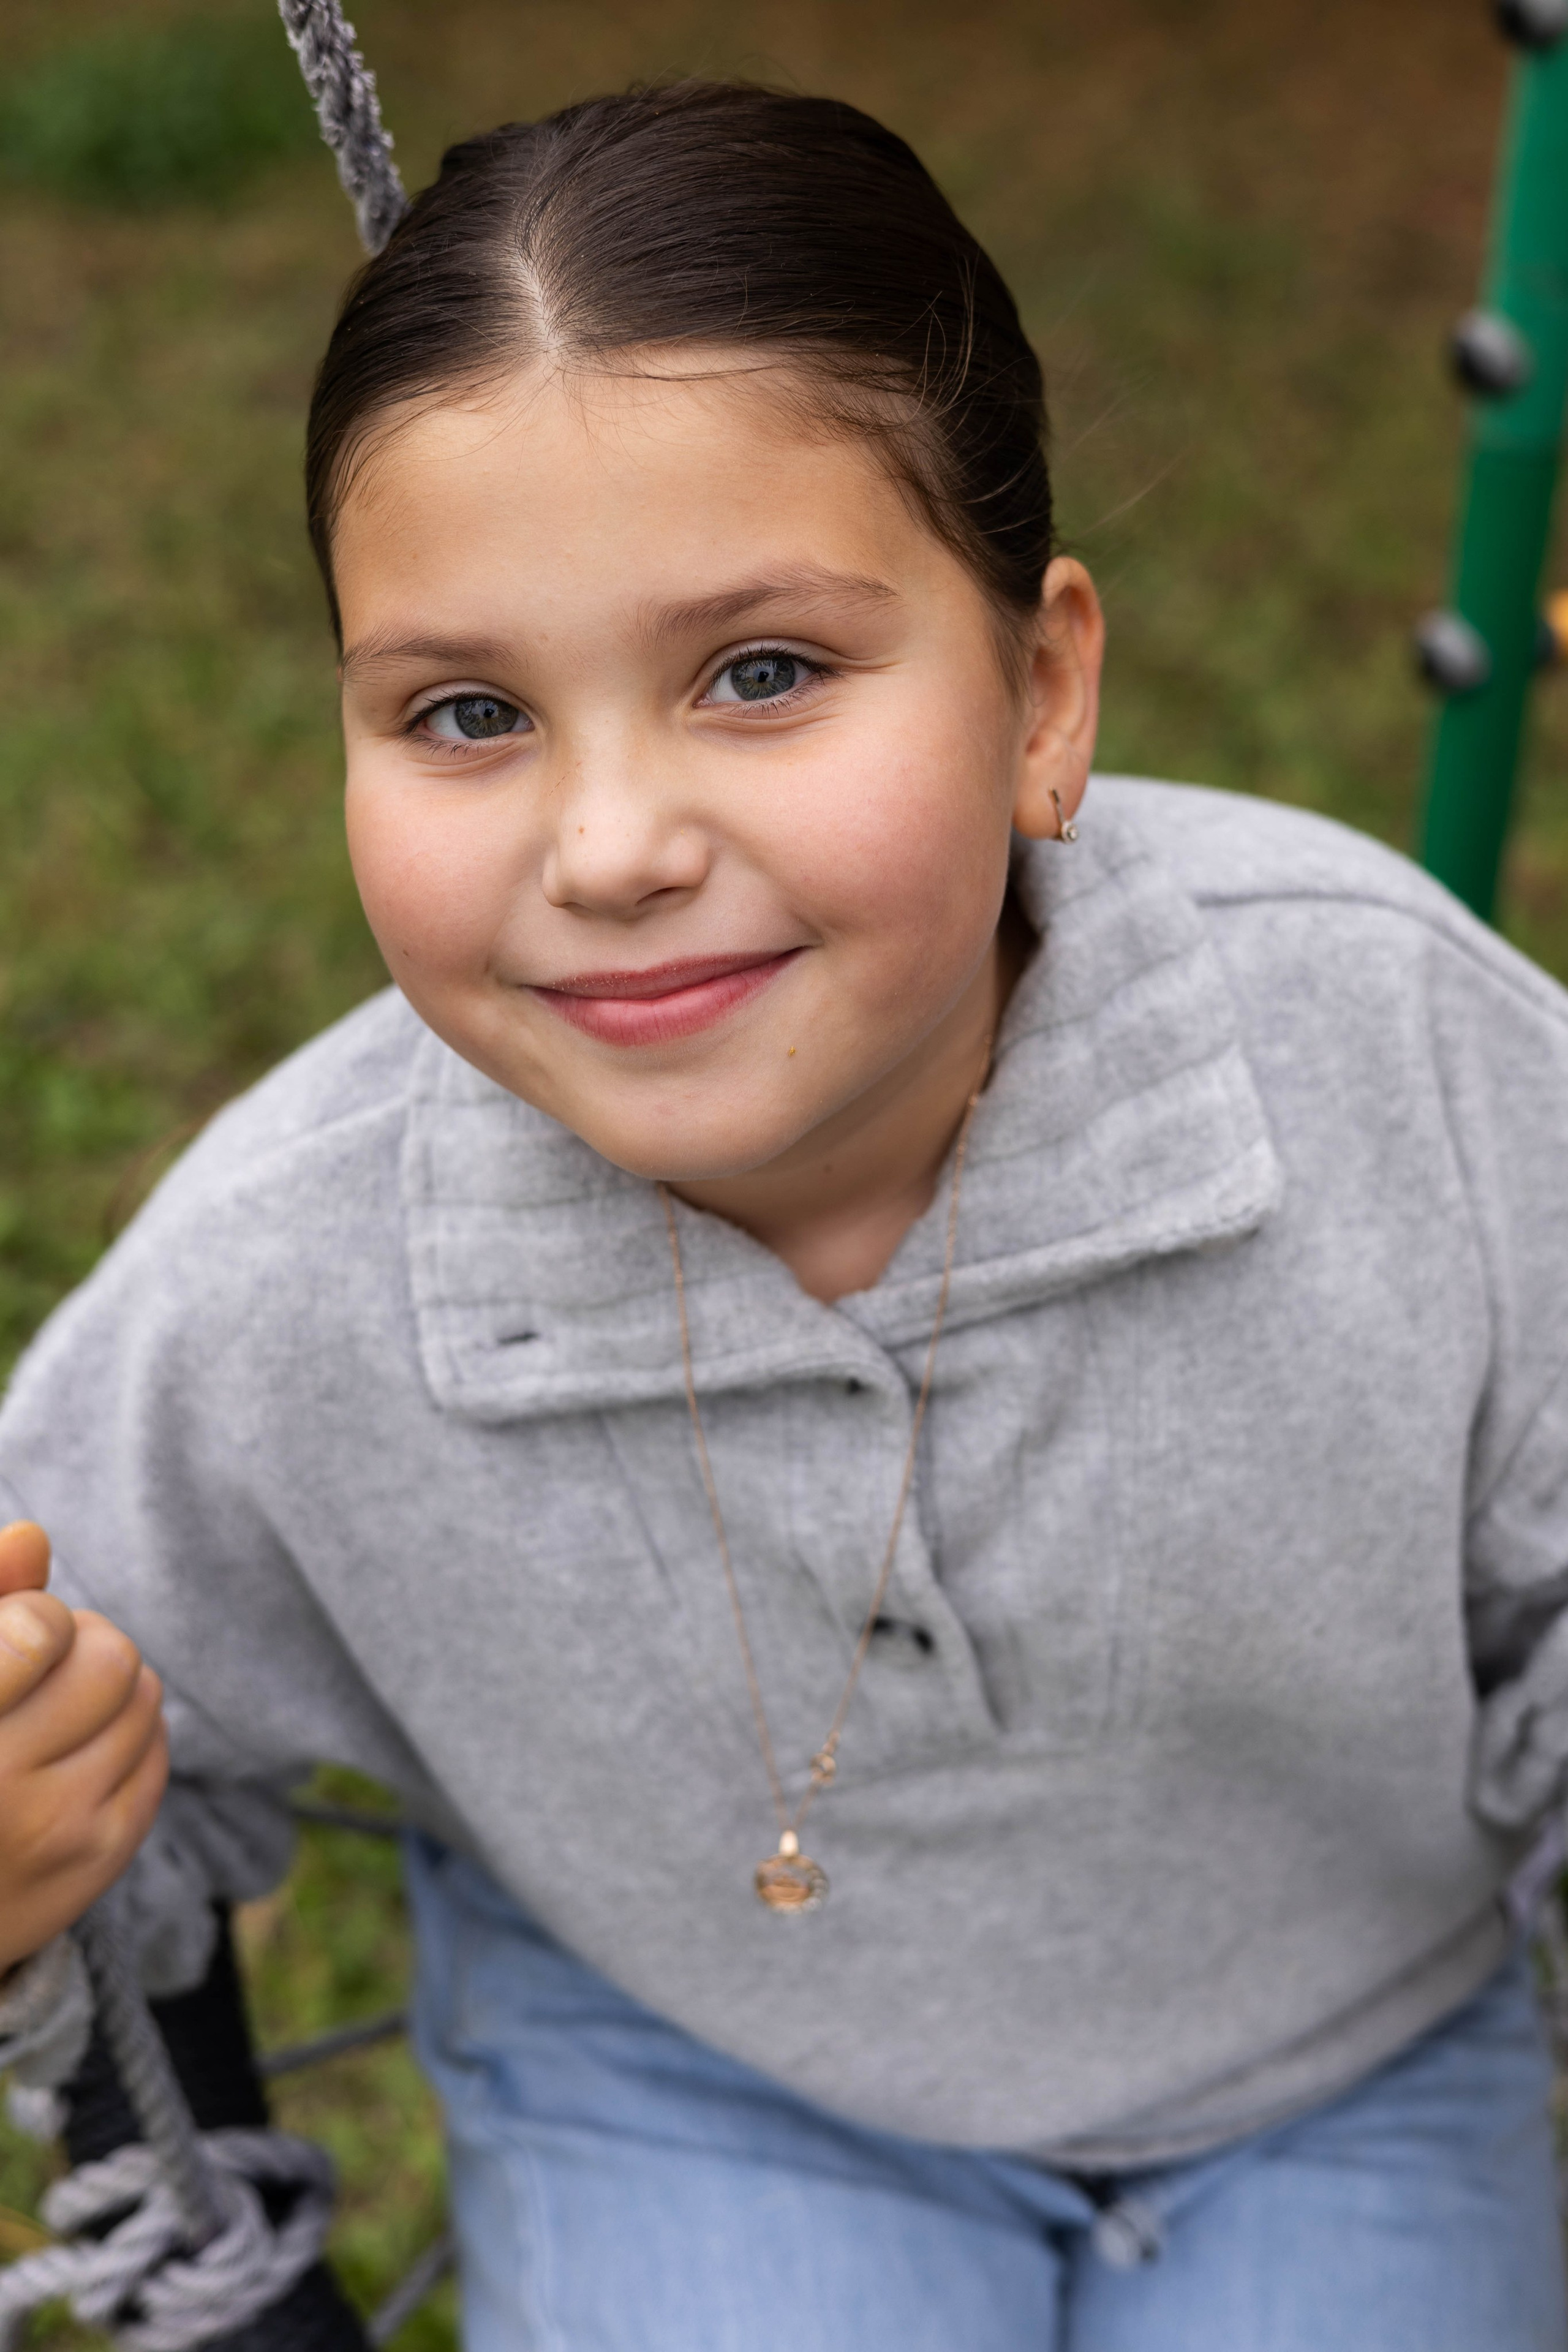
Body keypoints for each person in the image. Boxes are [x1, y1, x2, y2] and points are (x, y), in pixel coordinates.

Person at [1, 78, 1566, 2352]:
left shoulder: (1394, 1063)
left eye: (763, 673)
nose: (612, 840)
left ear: (1042, 692)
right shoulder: (285, 1283)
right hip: (689, 2060)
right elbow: (78, 1786)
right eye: (463, 711)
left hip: (1347, 2049)